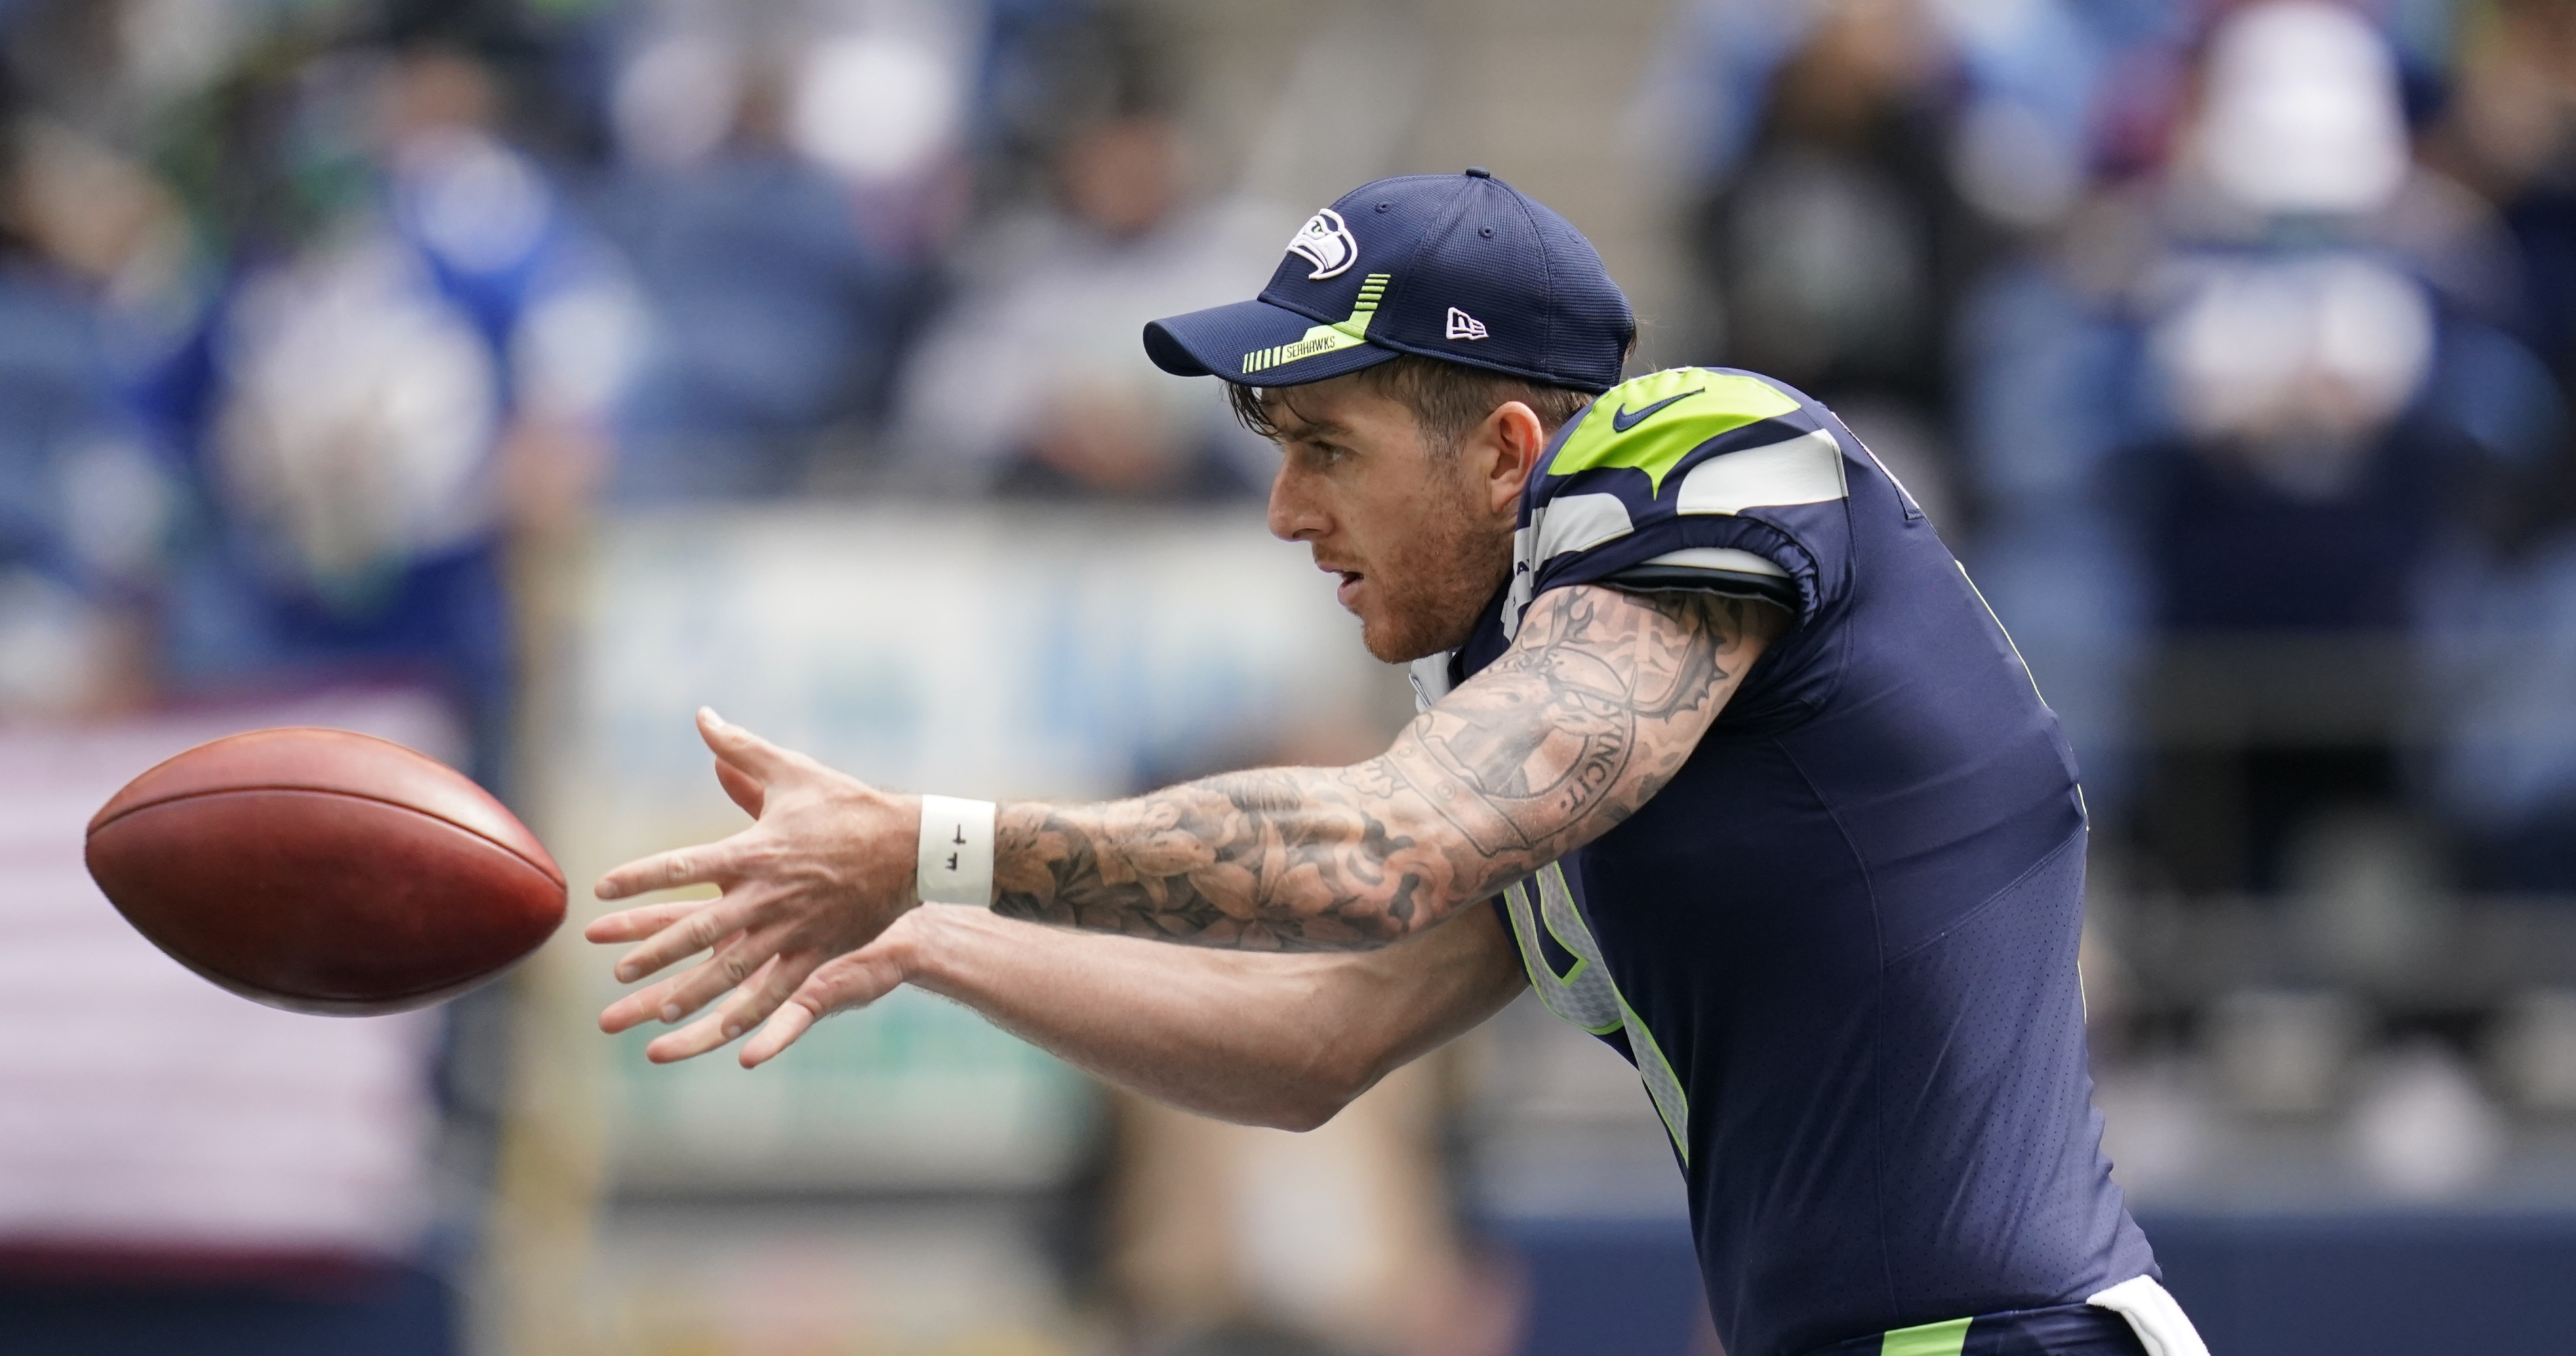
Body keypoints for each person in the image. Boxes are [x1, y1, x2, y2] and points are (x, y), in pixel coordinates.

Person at [587, 170, 2207, 1356]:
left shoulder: (1697, 452)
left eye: (1325, 449)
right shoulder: (1529, 661)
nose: (1288, 514)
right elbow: (1321, 1038)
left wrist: (924, 840)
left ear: (1510, 450)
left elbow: (1381, 853)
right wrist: (934, 934)